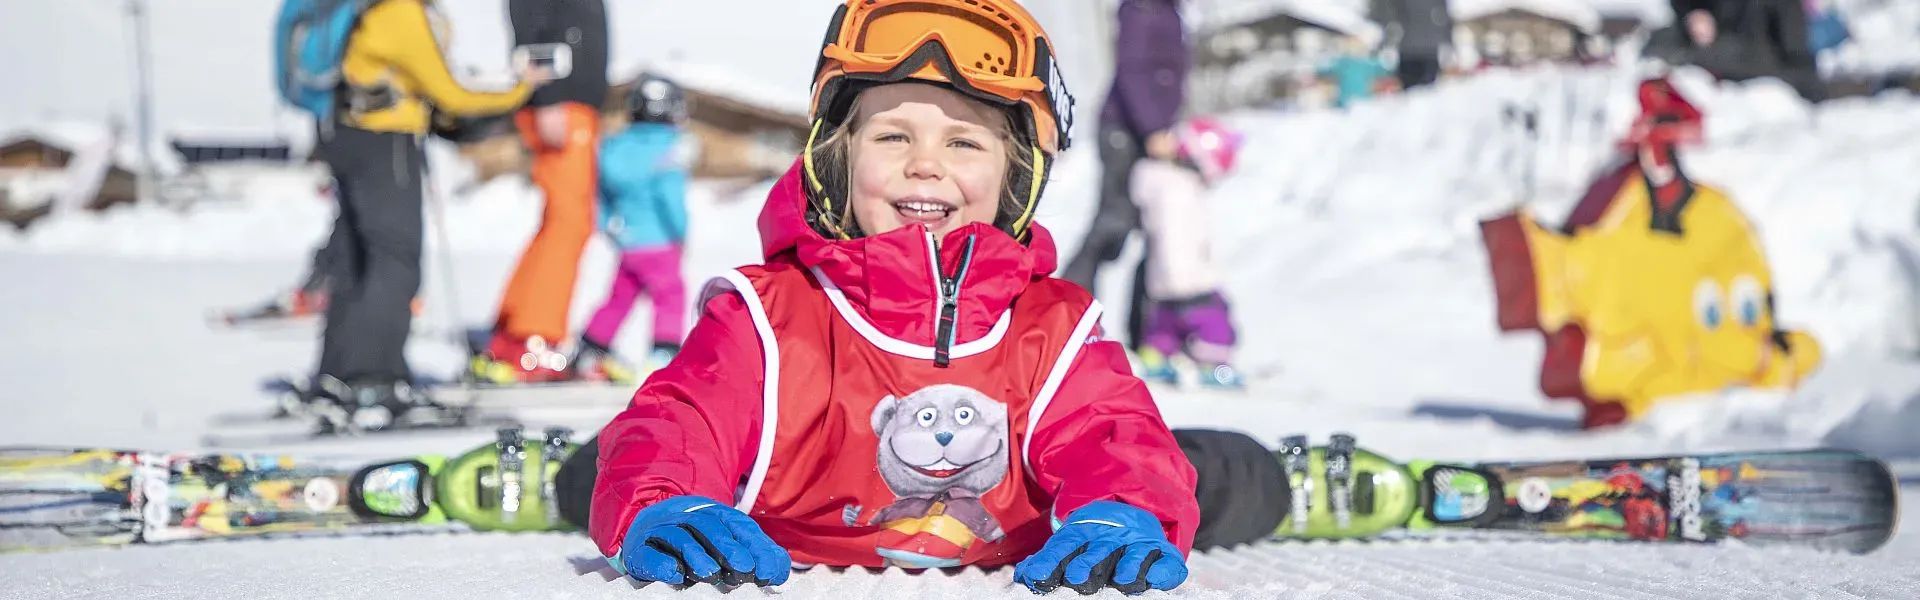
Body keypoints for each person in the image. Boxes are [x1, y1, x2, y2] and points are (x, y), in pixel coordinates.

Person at [569, 1, 1295, 594]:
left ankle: (1294, 479)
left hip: (1037, 535)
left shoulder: (1052, 326)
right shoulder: (766, 316)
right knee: (612, 463)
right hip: (773, 533)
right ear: (837, 158)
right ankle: (561, 471)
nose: (925, 164)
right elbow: (685, 419)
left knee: (1195, 472)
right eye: (891, 135)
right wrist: (659, 496)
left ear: (1014, 178)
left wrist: (1120, 511)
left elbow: (1112, 436)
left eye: (963, 144)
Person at [311, 0, 538, 415]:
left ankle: (339, 373)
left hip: (350, 137)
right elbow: (450, 92)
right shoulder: (399, 12)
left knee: (356, 261)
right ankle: (375, 379)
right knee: (394, 259)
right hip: (386, 144)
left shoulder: (369, 10)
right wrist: (521, 87)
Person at [475, 0, 611, 382]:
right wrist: (549, 96)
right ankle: (533, 339)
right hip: (562, 100)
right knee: (570, 221)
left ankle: (513, 331)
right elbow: (534, 16)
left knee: (562, 220)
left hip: (568, 99)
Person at [1062, 0, 1188, 351]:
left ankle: (1147, 334)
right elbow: (1133, 70)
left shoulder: (1169, 10)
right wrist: (1153, 129)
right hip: (1126, 132)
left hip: (1151, 135)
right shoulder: (1142, 7)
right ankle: (1068, 317)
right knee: (1111, 226)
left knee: (1157, 231)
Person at [569, 74, 693, 385]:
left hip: (628, 240)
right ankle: (663, 354)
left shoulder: (615, 148)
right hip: (660, 241)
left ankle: (591, 349)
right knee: (670, 296)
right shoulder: (667, 151)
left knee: (621, 295)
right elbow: (671, 199)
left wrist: (610, 226)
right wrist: (680, 233)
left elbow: (602, 195)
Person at [1131, 117, 1247, 389]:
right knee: (1216, 321)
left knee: (1164, 329)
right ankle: (1214, 367)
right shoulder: (1178, 190)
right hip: (1188, 282)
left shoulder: (1163, 183)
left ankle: (1154, 358)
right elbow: (1177, 240)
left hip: (1164, 284)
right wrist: (1184, 279)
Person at [1318, 36, 1393, 109]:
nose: (1354, 48)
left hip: (1359, 102)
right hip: (1348, 102)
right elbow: (1324, 70)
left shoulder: (1366, 63)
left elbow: (1384, 69)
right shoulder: (1343, 62)